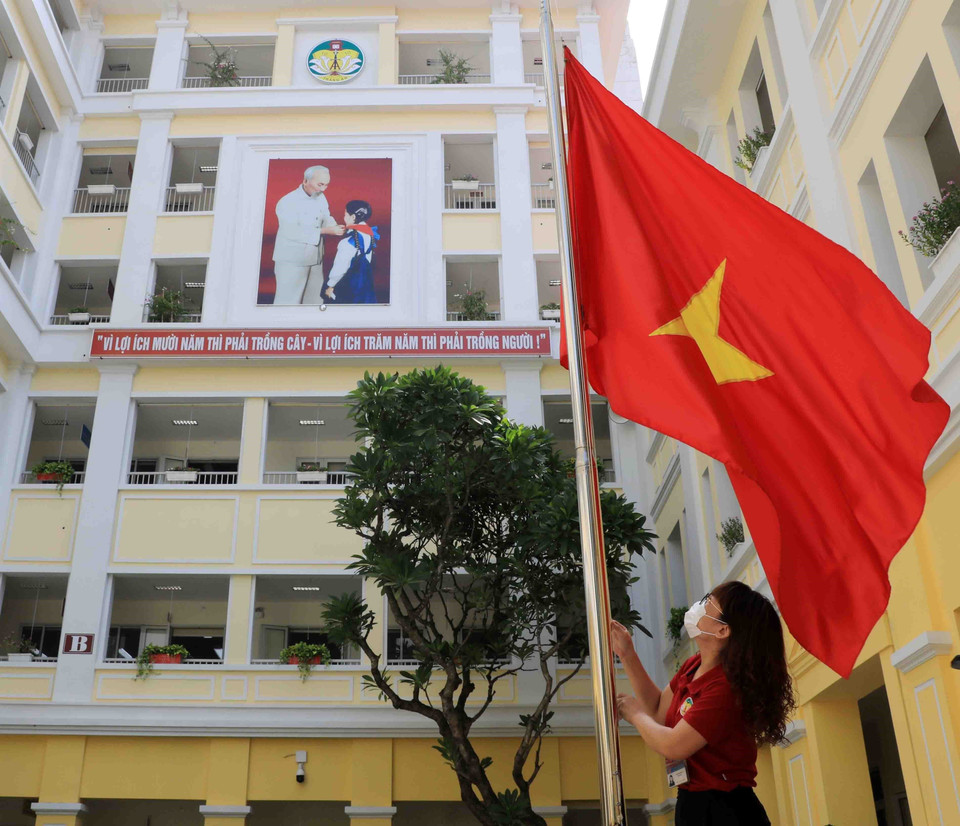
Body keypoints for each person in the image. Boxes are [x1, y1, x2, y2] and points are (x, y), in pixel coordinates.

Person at [614, 581, 794, 825]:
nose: (700, 605)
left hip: (725, 809)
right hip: (692, 800)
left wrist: (634, 714)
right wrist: (627, 654)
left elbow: (674, 745)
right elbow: (658, 712)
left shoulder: (726, 688)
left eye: (709, 602)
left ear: (723, 631)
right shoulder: (693, 666)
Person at [271, 165, 344, 304]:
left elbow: (326, 217)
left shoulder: (320, 197)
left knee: (314, 300)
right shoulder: (288, 202)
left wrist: (335, 226)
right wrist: (326, 231)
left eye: (326, 185)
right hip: (292, 260)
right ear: (305, 181)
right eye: (320, 184)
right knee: (288, 301)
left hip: (315, 258)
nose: (323, 189)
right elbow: (291, 231)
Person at [322, 200, 379, 304]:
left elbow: (340, 267)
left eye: (345, 215)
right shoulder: (370, 234)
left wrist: (330, 285)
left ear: (352, 217)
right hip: (366, 284)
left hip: (351, 286)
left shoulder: (348, 242)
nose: (344, 218)